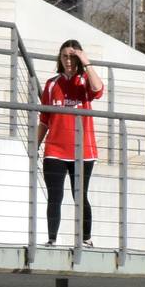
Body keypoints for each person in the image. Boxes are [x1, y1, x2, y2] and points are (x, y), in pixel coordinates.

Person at [38, 39, 105, 247]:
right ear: (60, 58)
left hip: (82, 151)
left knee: (80, 195)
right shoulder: (51, 85)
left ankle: (86, 239)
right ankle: (51, 239)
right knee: (54, 196)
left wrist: (86, 62)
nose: (68, 61)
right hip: (55, 150)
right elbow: (44, 120)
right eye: (65, 56)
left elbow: (98, 89)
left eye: (72, 56)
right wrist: (34, 146)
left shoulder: (84, 81)